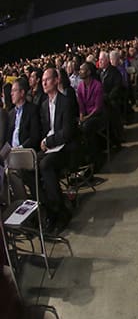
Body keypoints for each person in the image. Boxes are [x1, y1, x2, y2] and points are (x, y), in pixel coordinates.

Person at [38, 68, 76, 234]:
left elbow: (67, 133)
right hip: (50, 147)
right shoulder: (44, 104)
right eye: (43, 80)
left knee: (45, 165)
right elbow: (46, 130)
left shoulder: (65, 101)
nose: (44, 83)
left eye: (47, 79)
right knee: (29, 166)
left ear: (56, 80)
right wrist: (44, 141)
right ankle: (48, 208)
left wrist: (48, 141)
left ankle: (61, 212)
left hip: (65, 148)